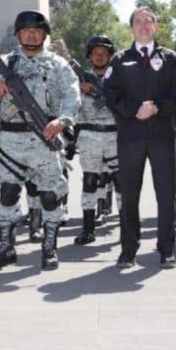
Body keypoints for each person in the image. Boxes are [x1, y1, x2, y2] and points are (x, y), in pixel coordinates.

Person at [0, 11, 80, 270]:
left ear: (45, 35)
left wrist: (62, 121)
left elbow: (73, 96)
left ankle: (49, 247)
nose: (32, 35)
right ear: (18, 35)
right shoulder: (5, 63)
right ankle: (6, 247)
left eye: (37, 31)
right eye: (26, 31)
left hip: (44, 137)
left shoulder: (58, 64)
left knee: (49, 196)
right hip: (10, 140)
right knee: (8, 193)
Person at [103, 6, 176, 269]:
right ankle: (128, 250)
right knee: (129, 194)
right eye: (138, 21)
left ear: (156, 26)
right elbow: (110, 94)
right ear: (132, 28)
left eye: (148, 21)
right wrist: (134, 110)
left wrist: (157, 107)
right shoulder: (120, 60)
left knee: (166, 193)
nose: (144, 25)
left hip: (162, 135)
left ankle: (166, 249)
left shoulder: (170, 58)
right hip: (131, 136)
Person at [73, 36, 119, 245]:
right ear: (89, 56)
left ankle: (126, 227)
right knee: (90, 180)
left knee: (120, 181)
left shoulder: (119, 79)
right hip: (89, 136)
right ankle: (88, 228)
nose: (100, 57)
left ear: (110, 56)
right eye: (95, 53)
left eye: (104, 54)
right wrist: (80, 90)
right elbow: (69, 107)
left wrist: (100, 91)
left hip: (114, 135)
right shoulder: (78, 80)